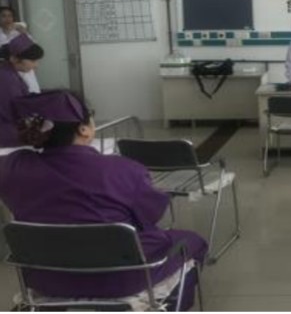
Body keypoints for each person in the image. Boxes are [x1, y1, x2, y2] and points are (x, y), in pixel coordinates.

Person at [0, 90, 208, 310]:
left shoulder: (12, 167)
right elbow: (151, 216)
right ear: (84, 129)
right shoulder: (124, 170)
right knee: (193, 242)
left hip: (45, 278)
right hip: (121, 278)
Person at [0, 35, 44, 147]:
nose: (36, 66)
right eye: (33, 61)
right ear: (14, 59)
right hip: (7, 135)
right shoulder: (6, 78)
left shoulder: (9, 71)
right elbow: (13, 109)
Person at [0, 6, 40, 93]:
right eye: (3, 16)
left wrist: (24, 32)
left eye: (10, 16)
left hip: (24, 69)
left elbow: (34, 50)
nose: (7, 19)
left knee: (31, 92)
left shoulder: (19, 33)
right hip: (6, 72)